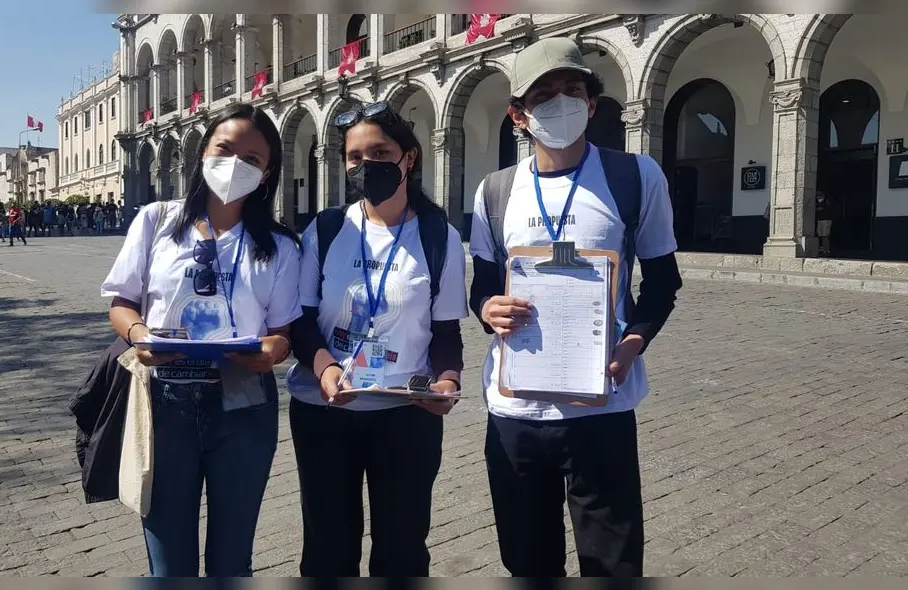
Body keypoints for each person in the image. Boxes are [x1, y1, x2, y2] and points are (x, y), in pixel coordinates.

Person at [468, 37, 682, 577]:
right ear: (519, 114)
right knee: (527, 560)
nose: (560, 102)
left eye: (573, 90)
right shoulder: (495, 191)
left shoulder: (635, 176)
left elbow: (662, 282)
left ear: (591, 103)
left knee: (612, 562)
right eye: (543, 95)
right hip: (516, 410)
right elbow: (483, 288)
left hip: (601, 406)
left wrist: (632, 343)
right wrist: (487, 310)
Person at [101, 103, 301, 577]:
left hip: (244, 404)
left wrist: (275, 350)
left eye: (252, 159)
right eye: (225, 150)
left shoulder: (280, 245)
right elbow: (120, 302)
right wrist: (138, 334)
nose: (236, 165)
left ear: (267, 171)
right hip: (165, 397)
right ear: (203, 153)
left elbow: (281, 333)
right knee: (168, 562)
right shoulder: (156, 221)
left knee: (233, 559)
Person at [286, 101, 468, 577]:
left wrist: (447, 381)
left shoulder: (438, 235)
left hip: (405, 413)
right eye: (354, 156)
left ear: (409, 158)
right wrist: (324, 367)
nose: (367, 165)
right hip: (325, 411)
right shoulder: (327, 229)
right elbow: (301, 320)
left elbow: (446, 329)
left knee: (403, 549)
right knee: (327, 548)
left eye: (381, 152)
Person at [815, 190, 832, 256]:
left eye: (819, 196)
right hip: (820, 220)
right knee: (820, 235)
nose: (818, 198)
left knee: (825, 236)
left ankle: (827, 249)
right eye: (817, 196)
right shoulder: (818, 203)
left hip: (826, 220)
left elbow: (819, 209)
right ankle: (823, 248)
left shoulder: (826, 202)